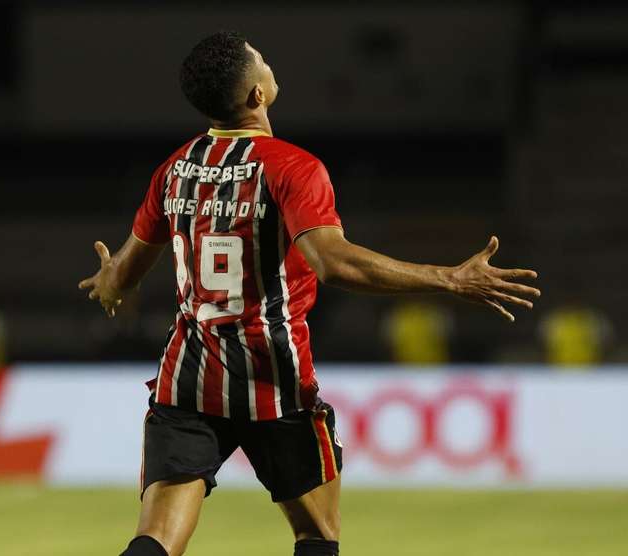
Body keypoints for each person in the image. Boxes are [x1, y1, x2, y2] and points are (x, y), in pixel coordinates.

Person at [78, 31, 540, 556]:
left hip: (189, 380)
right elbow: (332, 263)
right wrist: (449, 279)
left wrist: (107, 282)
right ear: (257, 94)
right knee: (317, 536)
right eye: (261, 59)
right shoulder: (292, 167)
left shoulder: (174, 170)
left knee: (157, 539)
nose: (268, 62)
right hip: (274, 379)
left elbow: (122, 276)